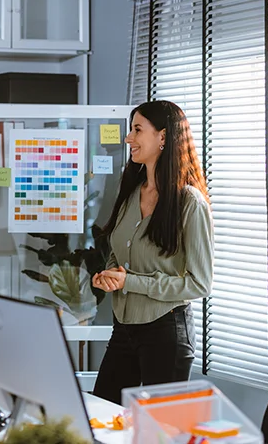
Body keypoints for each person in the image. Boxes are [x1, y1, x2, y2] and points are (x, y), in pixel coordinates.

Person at [91, 100, 213, 405]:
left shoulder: (190, 203)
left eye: (136, 129)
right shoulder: (132, 192)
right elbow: (116, 252)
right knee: (104, 415)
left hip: (166, 331)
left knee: (157, 431)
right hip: (124, 329)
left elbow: (200, 284)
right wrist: (110, 275)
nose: (128, 138)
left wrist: (129, 282)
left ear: (163, 137)